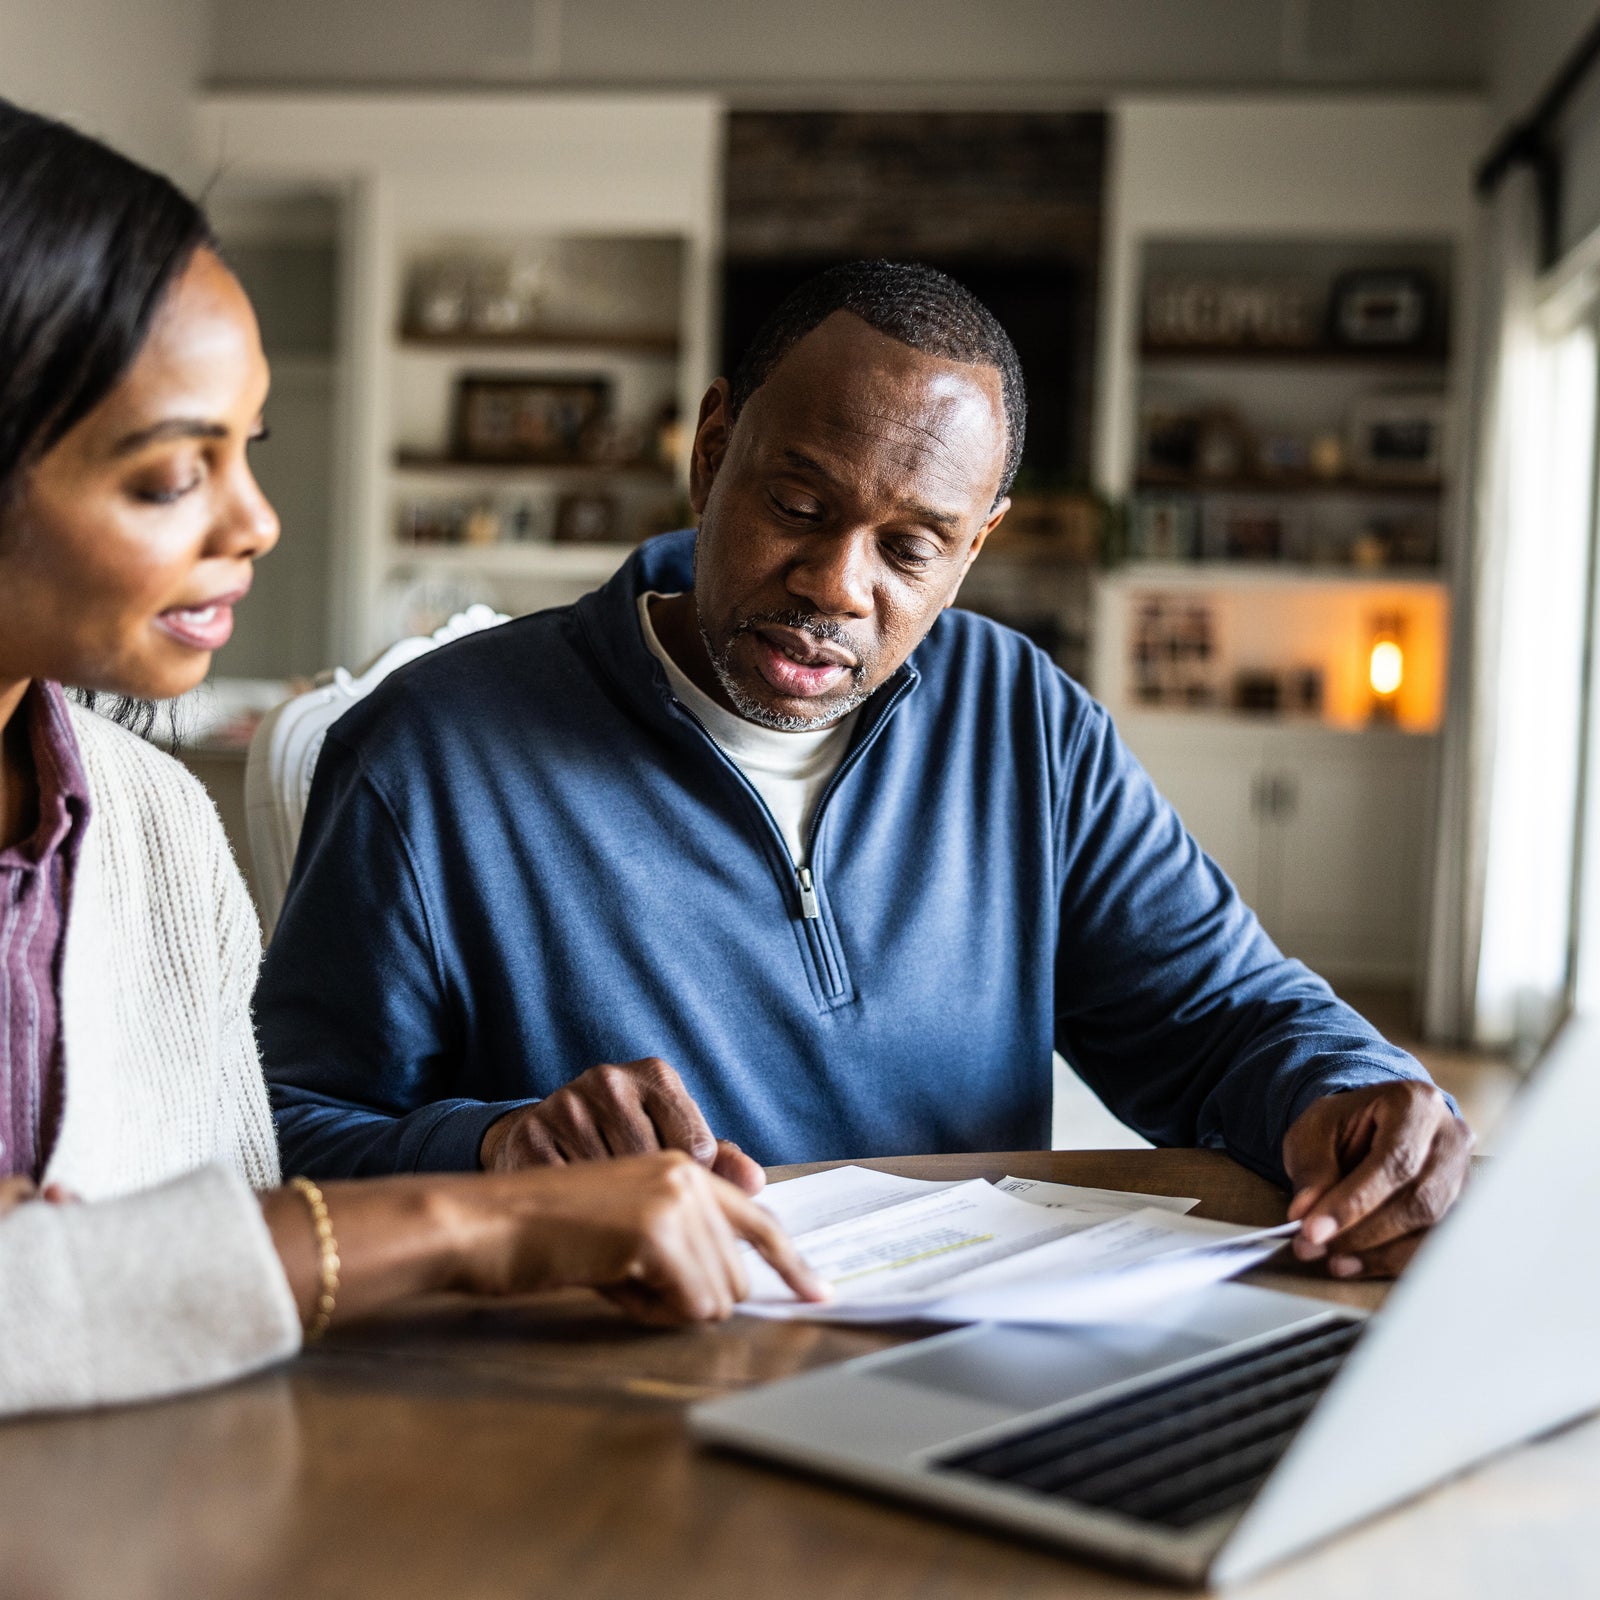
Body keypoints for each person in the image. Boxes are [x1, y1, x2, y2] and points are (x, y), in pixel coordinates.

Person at [258, 261, 1471, 1282]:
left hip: (964, 1360)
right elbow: (284, 1131)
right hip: (623, 1379)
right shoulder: (433, 750)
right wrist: (497, 1153)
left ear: (976, 543)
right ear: (713, 448)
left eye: (912, 545)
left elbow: (1216, 1014)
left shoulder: (1022, 718)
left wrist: (1351, 1090)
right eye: (797, 502)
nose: (840, 585)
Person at [0, 99, 822, 1419]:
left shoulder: (150, 820)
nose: (257, 522)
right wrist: (487, 1219)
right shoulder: (433, 748)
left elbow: (237, 1238)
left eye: (247, 452)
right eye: (169, 476)